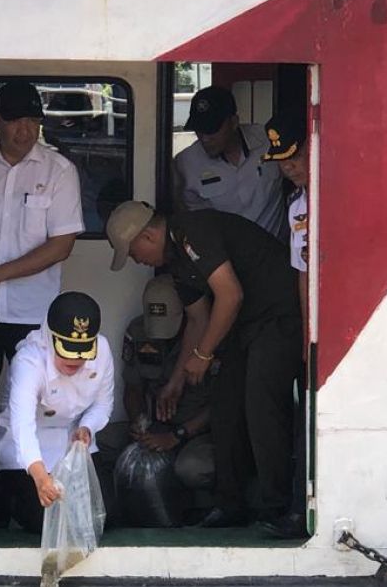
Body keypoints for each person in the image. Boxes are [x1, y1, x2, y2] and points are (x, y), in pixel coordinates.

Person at [106, 200, 301, 534]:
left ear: (150, 235)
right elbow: (198, 318)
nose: (137, 260)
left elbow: (230, 295)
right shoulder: (176, 265)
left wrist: (204, 354)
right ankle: (230, 505)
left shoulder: (191, 232)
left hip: (278, 316)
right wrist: (177, 380)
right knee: (226, 408)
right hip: (244, 327)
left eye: (134, 251)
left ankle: (279, 508)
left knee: (261, 408)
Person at [0, 80, 84, 526]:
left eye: (34, 121)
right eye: (17, 121)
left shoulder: (58, 171)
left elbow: (62, 244)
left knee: (35, 413)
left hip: (33, 315)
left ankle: (33, 509)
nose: (26, 131)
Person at [0, 291, 114, 534]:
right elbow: (22, 426)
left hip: (72, 441)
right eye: (67, 351)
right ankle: (3, 495)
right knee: (46, 522)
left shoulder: (103, 351)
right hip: (27, 448)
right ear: (50, 337)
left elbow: (103, 403)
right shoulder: (29, 361)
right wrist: (39, 476)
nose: (75, 361)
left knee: (103, 515)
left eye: (82, 351)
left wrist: (87, 427)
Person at [95, 275, 215, 524]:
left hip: (196, 432)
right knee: (99, 441)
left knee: (191, 467)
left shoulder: (209, 340)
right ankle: (112, 511)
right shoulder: (138, 332)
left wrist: (178, 435)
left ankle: (199, 515)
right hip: (154, 428)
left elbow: (220, 405)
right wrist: (138, 422)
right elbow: (133, 386)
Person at [260, 115, 310, 539]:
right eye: (281, 160)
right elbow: (302, 273)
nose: (289, 166)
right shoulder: (297, 205)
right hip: (312, 327)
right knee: (303, 420)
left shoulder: (336, 196)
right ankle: (296, 508)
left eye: (295, 156)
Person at [173, 86, 285, 241]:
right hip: (227, 258)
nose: (205, 138)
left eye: (212, 129)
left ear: (234, 122)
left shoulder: (270, 142)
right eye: (199, 130)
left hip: (275, 255)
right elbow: (196, 223)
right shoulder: (185, 164)